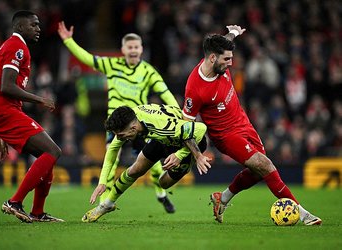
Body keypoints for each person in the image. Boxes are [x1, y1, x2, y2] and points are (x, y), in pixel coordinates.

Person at [182, 25, 322, 226]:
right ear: (212, 58)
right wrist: (197, 155)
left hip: (243, 123)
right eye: (226, 60)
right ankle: (301, 212)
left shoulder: (219, 55)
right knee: (266, 165)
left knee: (258, 172)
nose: (230, 64)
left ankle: (222, 198)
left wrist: (234, 33)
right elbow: (186, 125)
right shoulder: (195, 88)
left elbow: (225, 40)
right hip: (226, 135)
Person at [57, 21, 179, 213]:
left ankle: (161, 194)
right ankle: (105, 201)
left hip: (139, 124)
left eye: (136, 47)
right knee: (111, 157)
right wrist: (69, 42)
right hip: (117, 125)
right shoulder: (112, 64)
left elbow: (165, 93)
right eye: (129, 47)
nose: (133, 50)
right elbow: (88, 59)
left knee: (152, 163)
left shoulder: (148, 71)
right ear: (123, 49)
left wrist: (178, 113)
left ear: (141, 49)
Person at [0, 10, 63, 223]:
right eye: (34, 25)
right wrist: (40, 99)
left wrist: (1, 133)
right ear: (20, 27)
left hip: (3, 111)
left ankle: (37, 213)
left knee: (46, 155)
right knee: (53, 151)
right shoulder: (16, 47)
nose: (38, 29)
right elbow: (6, 86)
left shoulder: (13, 46)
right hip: (3, 111)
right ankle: (14, 202)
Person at [81, 104, 211, 222]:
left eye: (121, 135)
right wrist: (102, 182)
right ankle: (106, 205)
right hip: (160, 139)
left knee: (164, 183)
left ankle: (185, 165)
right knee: (135, 170)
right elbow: (112, 150)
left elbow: (201, 129)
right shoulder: (133, 119)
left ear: (133, 128)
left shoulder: (162, 126)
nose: (120, 139)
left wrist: (180, 155)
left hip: (187, 143)